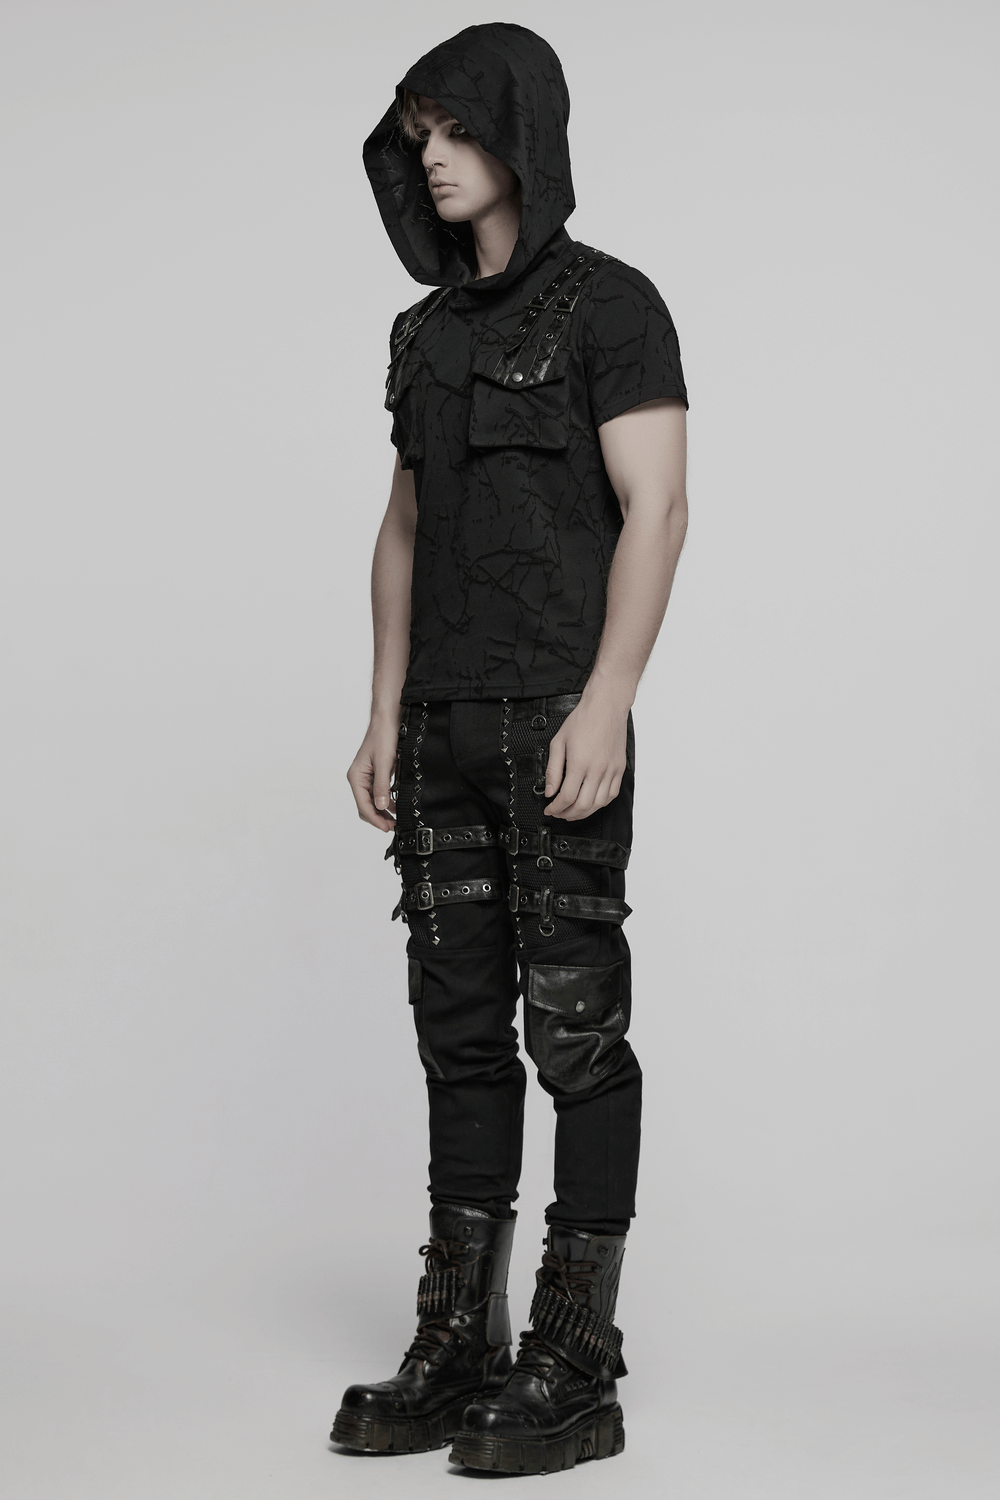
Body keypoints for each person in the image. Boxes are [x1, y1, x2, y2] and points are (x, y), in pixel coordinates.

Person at [332, 22, 688, 1476]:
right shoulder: (421, 336)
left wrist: (609, 696)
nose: (433, 154)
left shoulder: (614, 306)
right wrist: (380, 710)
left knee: (576, 1031)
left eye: (456, 127)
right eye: (418, 132)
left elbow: (658, 506)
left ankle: (575, 1350)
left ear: (520, 133)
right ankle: (458, 1338)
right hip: (440, 731)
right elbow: (404, 528)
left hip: (556, 718)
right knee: (459, 1033)